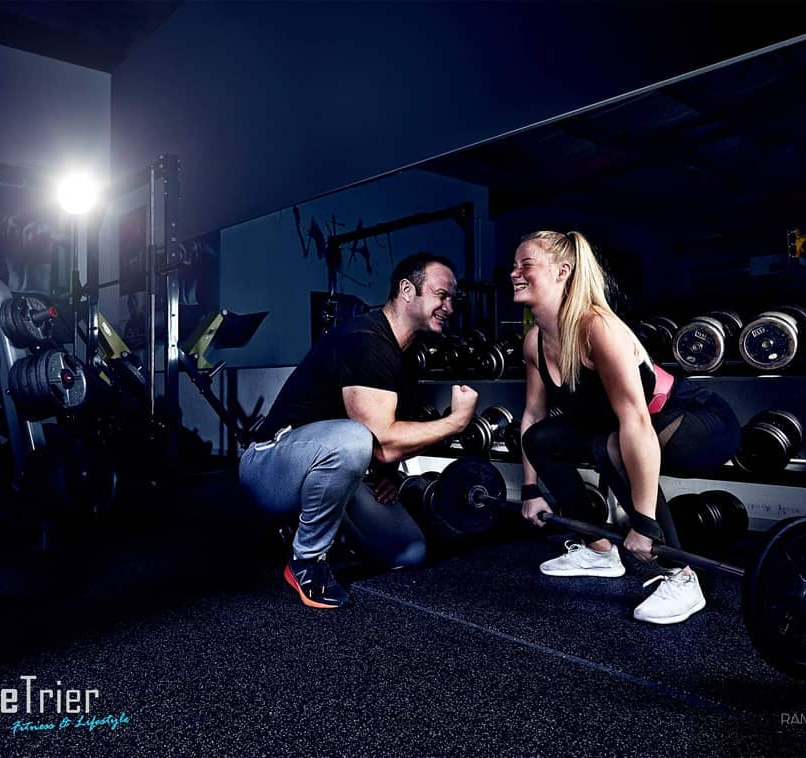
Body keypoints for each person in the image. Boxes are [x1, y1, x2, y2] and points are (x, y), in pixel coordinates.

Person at [511, 230, 740, 624]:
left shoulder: (596, 327)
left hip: (698, 420)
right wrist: (530, 491)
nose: (514, 273)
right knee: (540, 439)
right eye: (514, 265)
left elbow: (635, 420)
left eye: (525, 265)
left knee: (609, 445)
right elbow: (533, 416)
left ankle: (681, 576)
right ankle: (599, 550)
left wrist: (644, 522)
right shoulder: (535, 342)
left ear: (562, 271)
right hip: (628, 428)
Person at [239, 252, 479, 609]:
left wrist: (387, 475)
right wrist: (455, 423)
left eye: (452, 300)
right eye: (441, 295)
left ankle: (332, 528)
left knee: (409, 551)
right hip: (269, 465)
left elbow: (387, 439)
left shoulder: (406, 356)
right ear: (407, 290)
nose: (449, 307)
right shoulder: (365, 339)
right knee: (355, 440)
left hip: (327, 464)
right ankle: (307, 562)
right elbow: (381, 442)